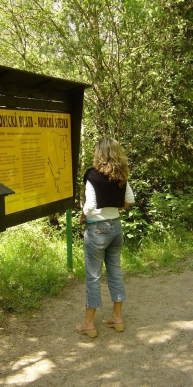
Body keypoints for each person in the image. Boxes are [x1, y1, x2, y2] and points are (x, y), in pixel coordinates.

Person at [77, 138, 135, 338]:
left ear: (99, 154)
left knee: (93, 277)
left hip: (97, 230)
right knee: (115, 273)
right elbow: (130, 201)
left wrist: (84, 217)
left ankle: (88, 324)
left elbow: (90, 204)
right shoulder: (121, 175)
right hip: (116, 228)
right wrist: (116, 208)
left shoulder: (92, 175)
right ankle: (117, 318)